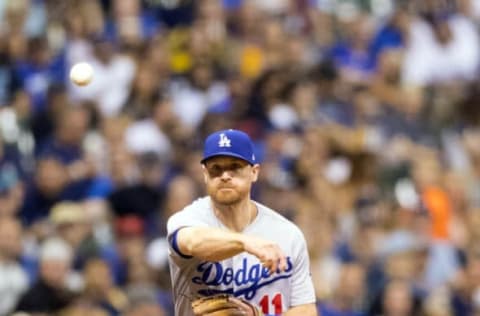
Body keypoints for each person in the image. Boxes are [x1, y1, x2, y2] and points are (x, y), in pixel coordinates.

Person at [167, 129, 317, 316]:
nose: (225, 176)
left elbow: (307, 310)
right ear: (205, 174)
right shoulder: (187, 219)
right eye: (216, 168)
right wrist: (245, 242)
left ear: (254, 172)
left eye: (235, 167)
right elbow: (192, 242)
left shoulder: (287, 233)